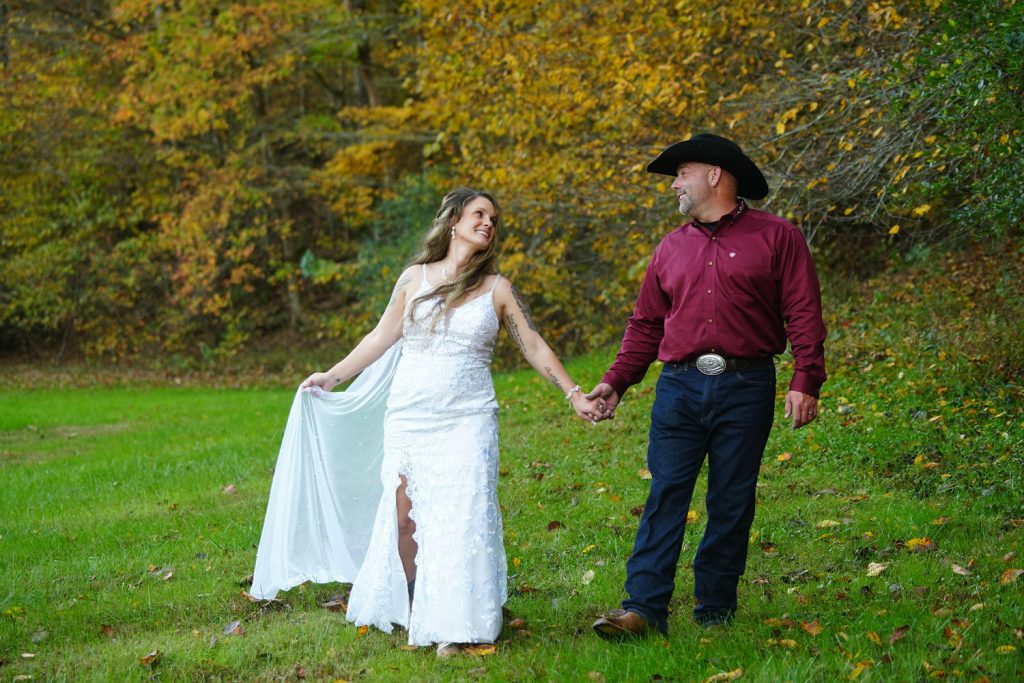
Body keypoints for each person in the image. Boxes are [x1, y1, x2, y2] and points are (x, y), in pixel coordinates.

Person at [252, 188, 601, 657]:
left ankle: (461, 627)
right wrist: (333, 376)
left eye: (494, 220)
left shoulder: (497, 289)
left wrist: (574, 394)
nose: (489, 224)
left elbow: (534, 346)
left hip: (468, 417)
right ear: (453, 220)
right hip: (410, 416)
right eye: (480, 214)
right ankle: (420, 609)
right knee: (404, 523)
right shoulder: (413, 279)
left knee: (462, 518)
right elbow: (380, 336)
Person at [588, 133, 827, 638]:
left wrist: (806, 377)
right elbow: (646, 326)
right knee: (665, 494)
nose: (675, 183)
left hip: (747, 385)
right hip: (678, 388)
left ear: (715, 175)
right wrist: (616, 381)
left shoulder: (778, 236)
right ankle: (642, 610)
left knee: (731, 498)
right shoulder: (670, 247)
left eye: (682, 173)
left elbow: (803, 311)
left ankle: (715, 609)